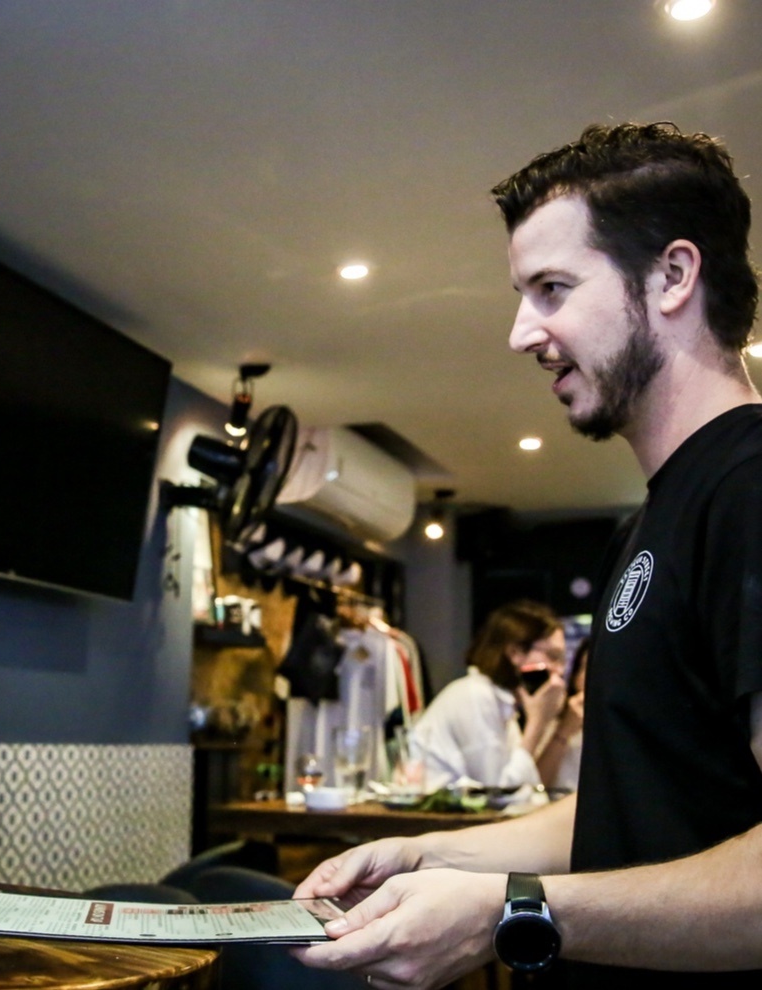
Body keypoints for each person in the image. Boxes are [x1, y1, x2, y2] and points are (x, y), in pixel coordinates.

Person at [289, 121, 762, 989]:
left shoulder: (750, 486)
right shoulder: (645, 525)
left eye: (552, 288)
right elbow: (627, 813)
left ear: (672, 276)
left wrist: (513, 912)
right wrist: (428, 855)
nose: (519, 332)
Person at [411, 600, 567, 791]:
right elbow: (497, 791)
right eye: (553, 656)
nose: (559, 670)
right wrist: (537, 722)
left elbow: (526, 786)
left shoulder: (501, 701)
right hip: (435, 809)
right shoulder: (476, 695)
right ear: (515, 652)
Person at [535, 636, 587, 792]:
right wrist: (564, 730)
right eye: (584, 667)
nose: (589, 677)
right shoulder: (552, 720)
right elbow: (537, 783)